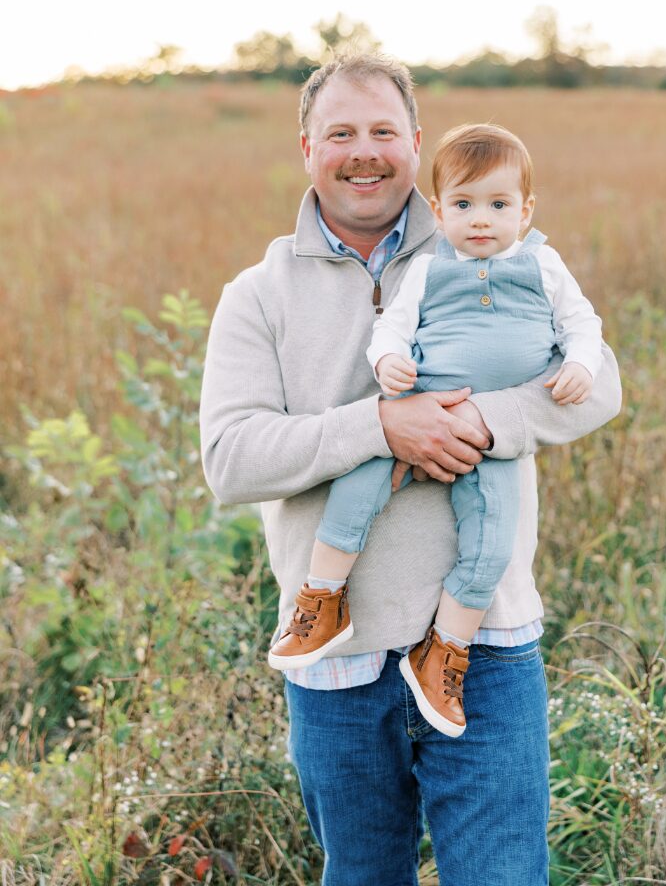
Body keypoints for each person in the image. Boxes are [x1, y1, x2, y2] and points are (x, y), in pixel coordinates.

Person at [200, 52, 622, 885]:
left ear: (416, 142)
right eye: (340, 134)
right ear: (307, 149)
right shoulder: (258, 293)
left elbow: (598, 383)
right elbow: (231, 459)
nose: (364, 152)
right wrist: (382, 426)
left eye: (383, 131)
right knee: (364, 875)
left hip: (485, 645)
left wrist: (478, 421)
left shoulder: (487, 238)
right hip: (336, 656)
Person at [265, 121, 604, 743]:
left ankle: (445, 648)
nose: (482, 220)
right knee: (357, 489)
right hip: (415, 404)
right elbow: (394, 326)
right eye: (464, 206)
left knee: (491, 541)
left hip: (491, 439)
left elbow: (582, 324)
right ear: (439, 210)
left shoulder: (542, 263)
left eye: (499, 205)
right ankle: (324, 596)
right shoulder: (428, 267)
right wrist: (387, 362)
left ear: (526, 211)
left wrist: (580, 363)